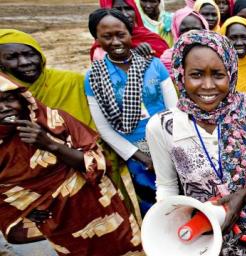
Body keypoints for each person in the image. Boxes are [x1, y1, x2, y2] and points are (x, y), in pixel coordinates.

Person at [147, 30, 246, 254]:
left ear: (231, 73)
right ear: (181, 75)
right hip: (202, 232)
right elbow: (167, 186)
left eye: (218, 75)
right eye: (196, 75)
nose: (207, 86)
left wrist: (242, 197)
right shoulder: (161, 126)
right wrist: (167, 229)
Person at [0, 28, 143, 229]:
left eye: (29, 53)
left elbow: (106, 123)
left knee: (125, 227)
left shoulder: (72, 82)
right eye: (12, 57)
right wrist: (24, 205)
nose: (24, 62)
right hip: (52, 192)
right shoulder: (8, 100)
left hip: (99, 168)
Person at [0, 73, 143, 255]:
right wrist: (23, 211)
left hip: (99, 205)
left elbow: (99, 163)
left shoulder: (56, 121)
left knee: (127, 248)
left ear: (22, 98)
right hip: (58, 222)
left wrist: (51, 145)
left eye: (9, 99)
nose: (4, 108)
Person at [85, 9, 179, 215]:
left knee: (182, 195)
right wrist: (143, 158)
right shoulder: (93, 76)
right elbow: (105, 129)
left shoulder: (153, 65)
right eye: (107, 37)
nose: (116, 42)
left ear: (130, 34)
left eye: (121, 34)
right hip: (134, 154)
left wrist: (168, 150)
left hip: (168, 143)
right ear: (97, 39)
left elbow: (174, 111)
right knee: (152, 203)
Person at [91, 0, 169, 61]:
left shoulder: (150, 37)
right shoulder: (102, 49)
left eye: (128, 9)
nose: (125, 14)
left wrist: (149, 55)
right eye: (117, 10)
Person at [160, 7, 208, 71]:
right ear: (176, 32)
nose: (190, 34)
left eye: (196, 29)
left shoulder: (214, 54)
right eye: (185, 30)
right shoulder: (168, 59)